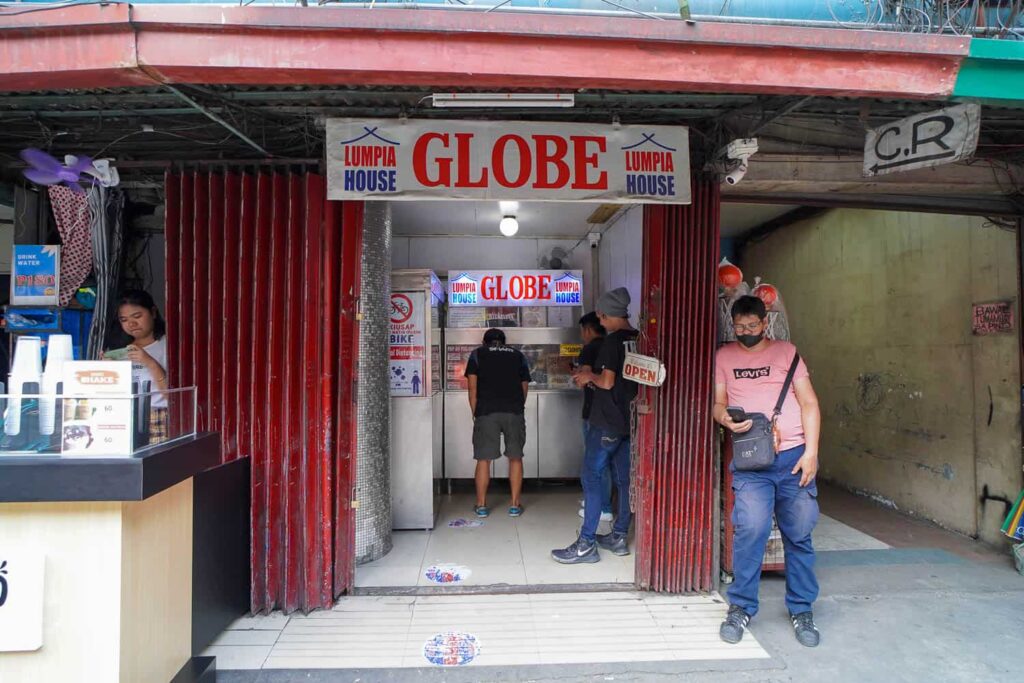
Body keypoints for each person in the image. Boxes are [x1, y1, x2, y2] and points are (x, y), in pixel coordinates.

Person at [713, 295, 822, 648]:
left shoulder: (787, 352)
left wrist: (812, 453)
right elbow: (717, 403)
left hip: (793, 458)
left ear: (765, 323)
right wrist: (725, 418)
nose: (745, 332)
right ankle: (741, 607)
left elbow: (809, 403)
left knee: (799, 534)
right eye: (739, 327)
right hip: (751, 463)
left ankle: (802, 607)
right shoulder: (724, 356)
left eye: (751, 326)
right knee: (750, 531)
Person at [553, 287, 638, 563]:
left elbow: (607, 382)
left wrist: (589, 375)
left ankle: (586, 543)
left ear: (607, 314)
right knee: (625, 480)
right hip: (630, 422)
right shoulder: (638, 339)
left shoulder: (611, 343)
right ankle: (620, 536)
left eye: (601, 317)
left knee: (591, 477)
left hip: (606, 422)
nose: (600, 322)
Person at [465, 328, 532, 518]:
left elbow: (472, 388)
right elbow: (524, 386)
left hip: (486, 412)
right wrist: (518, 407)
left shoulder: (477, 354)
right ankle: (514, 505)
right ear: (504, 341)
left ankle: (481, 505)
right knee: (516, 457)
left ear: (484, 341)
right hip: (514, 411)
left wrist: (475, 413)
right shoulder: (518, 355)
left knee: (483, 459)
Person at [105, 290, 170, 443]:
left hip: (159, 418)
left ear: (153, 312)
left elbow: (174, 397)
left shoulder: (168, 345)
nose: (131, 324)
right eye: (124, 320)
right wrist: (106, 370)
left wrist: (149, 362)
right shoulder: (116, 351)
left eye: (137, 316)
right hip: (123, 418)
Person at [574, 312, 613, 523]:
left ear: (588, 329)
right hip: (611, 413)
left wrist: (579, 375)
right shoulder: (611, 345)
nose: (583, 336)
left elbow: (583, 379)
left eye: (582, 332)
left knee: (595, 463)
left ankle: (603, 507)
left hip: (594, 413)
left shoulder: (590, 348)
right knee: (606, 462)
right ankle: (598, 502)